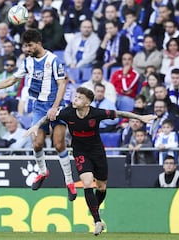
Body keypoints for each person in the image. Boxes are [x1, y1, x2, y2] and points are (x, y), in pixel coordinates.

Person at [25, 87, 156, 235]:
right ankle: (97, 221)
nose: (75, 99)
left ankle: (95, 208)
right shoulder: (67, 112)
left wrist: (141, 118)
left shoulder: (97, 113)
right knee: (87, 182)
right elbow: (49, 116)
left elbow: (120, 113)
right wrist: (36, 126)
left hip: (97, 152)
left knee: (101, 187)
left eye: (79, 98)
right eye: (75, 96)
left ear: (87, 103)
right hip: (80, 152)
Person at [0, 29, 77, 201]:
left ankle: (69, 182)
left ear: (38, 43)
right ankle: (43, 172)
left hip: (57, 107)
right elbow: (12, 80)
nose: (27, 49)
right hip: (39, 107)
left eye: (29, 45)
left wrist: (54, 107)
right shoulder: (27, 62)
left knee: (59, 144)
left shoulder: (53, 60)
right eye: (25, 46)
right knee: (37, 144)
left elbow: (62, 84)